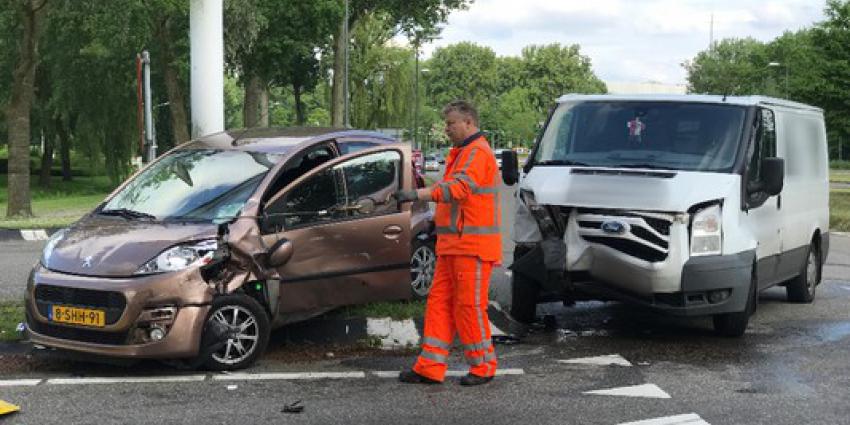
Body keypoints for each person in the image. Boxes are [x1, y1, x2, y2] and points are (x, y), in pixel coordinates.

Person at [393, 100, 502, 386]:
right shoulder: (464, 152)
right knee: (439, 303)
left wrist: (417, 195)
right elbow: (457, 201)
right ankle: (430, 366)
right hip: (454, 246)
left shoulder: (477, 152)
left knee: (469, 307)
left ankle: (483, 367)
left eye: (451, 123)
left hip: (472, 248)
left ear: (468, 122)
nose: (447, 128)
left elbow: (459, 189)